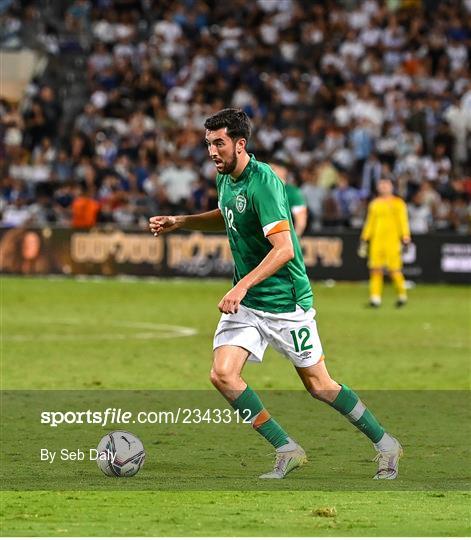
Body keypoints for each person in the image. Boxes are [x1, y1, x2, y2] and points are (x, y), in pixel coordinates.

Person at [150, 109, 402, 480]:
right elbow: (229, 213)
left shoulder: (264, 181)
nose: (212, 152)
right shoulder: (226, 176)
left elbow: (284, 248)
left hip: (286, 302)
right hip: (250, 304)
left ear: (241, 144)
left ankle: (385, 443)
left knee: (319, 386)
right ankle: (287, 448)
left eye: (219, 143)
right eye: (208, 144)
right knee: (222, 375)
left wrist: (240, 284)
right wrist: (182, 222)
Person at [358, 177, 411, 307]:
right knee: (375, 269)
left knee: (395, 270)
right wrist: (365, 238)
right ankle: (375, 298)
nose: (383, 187)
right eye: (381, 185)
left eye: (386, 184)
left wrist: (405, 236)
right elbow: (369, 222)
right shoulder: (374, 204)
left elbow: (403, 221)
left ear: (391, 186)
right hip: (377, 240)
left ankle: (402, 295)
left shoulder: (399, 203)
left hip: (392, 241)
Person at [269, 160, 308, 236]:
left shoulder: (292, 192)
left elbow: (301, 222)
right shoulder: (264, 190)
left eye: (273, 169)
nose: (268, 172)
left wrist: (294, 241)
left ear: (283, 171)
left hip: (286, 240)